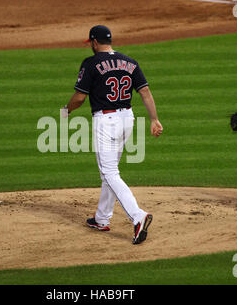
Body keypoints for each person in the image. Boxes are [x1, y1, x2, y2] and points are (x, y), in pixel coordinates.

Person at [62, 25, 163, 244]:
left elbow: (79, 98)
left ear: (94, 42)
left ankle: (138, 216)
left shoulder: (91, 63)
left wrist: (66, 111)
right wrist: (154, 119)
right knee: (110, 171)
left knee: (109, 173)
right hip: (127, 119)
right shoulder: (130, 61)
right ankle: (102, 218)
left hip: (106, 121)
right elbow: (144, 91)